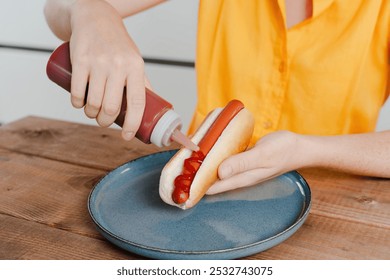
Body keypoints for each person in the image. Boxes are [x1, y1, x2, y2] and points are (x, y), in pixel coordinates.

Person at [44, 0, 390, 194]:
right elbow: (57, 7)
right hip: (206, 194)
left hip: (337, 200)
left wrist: (307, 151)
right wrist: (92, 12)